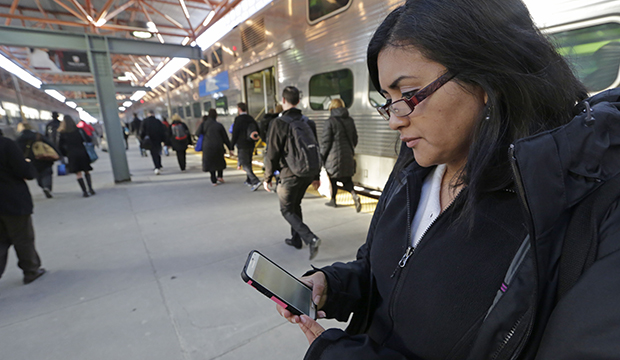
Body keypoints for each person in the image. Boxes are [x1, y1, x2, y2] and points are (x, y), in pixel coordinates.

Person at [276, 1, 620, 359]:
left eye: (408, 95)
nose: (394, 120)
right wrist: (335, 285)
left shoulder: (579, 208)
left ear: (488, 78)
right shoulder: (415, 165)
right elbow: (383, 266)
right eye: (388, 101)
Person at [263, 86, 321, 260]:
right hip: (307, 173)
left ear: (283, 101)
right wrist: (316, 176)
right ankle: (296, 240)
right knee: (295, 205)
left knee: (286, 210)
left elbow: (272, 153)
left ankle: (311, 238)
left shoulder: (279, 123)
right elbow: (316, 149)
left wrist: (267, 177)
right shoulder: (307, 122)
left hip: (290, 174)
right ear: (298, 101)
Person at [0, 132, 46, 284]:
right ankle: (31, 270)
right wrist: (28, 165)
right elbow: (23, 171)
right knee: (23, 237)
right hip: (11, 198)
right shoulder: (6, 144)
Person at [320, 99, 360, 212]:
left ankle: (333, 200)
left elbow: (326, 142)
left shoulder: (330, 121)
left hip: (333, 157)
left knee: (333, 179)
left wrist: (322, 156)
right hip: (347, 155)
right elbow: (355, 139)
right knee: (347, 180)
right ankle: (354, 194)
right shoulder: (350, 120)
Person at [16, 122, 59, 199]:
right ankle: (47, 187)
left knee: (37, 175)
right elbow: (50, 144)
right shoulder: (38, 135)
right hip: (44, 157)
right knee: (47, 172)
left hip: (31, 159)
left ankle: (42, 185)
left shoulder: (19, 138)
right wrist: (58, 154)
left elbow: (17, 150)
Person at [58, 115, 96, 197]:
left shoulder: (63, 133)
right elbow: (88, 139)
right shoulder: (79, 130)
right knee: (86, 171)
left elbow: (60, 146)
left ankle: (84, 191)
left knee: (78, 174)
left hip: (72, 155)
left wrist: (65, 154)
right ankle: (91, 188)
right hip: (82, 152)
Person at [195, 109, 233, 186]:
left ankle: (213, 180)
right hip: (218, 145)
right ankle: (220, 176)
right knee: (219, 160)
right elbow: (225, 138)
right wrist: (230, 148)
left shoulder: (204, 124)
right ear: (216, 116)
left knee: (210, 163)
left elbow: (197, 133)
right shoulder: (219, 125)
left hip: (207, 146)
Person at [231, 102, 261, 191]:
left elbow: (235, 133)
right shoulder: (251, 118)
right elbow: (258, 130)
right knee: (248, 161)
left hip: (242, 144)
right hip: (251, 144)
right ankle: (249, 180)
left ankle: (255, 181)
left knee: (244, 164)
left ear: (239, 109)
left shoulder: (238, 119)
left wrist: (231, 146)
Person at [140, 111, 167, 175]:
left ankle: (156, 166)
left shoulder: (145, 121)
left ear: (148, 114)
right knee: (158, 152)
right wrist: (164, 139)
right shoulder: (158, 121)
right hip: (158, 139)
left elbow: (142, 131)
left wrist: (142, 138)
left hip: (150, 140)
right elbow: (162, 130)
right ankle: (159, 164)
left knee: (153, 153)